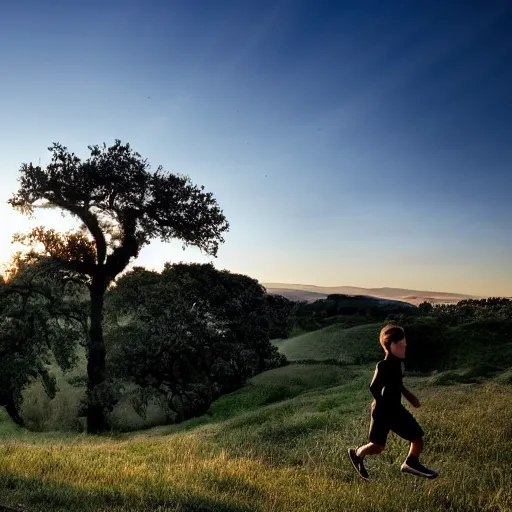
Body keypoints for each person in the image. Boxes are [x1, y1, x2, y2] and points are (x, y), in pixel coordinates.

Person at [348, 324, 439, 480]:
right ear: (389, 345)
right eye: (400, 343)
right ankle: (408, 463)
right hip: (385, 410)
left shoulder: (397, 364)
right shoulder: (383, 365)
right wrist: (386, 408)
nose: (404, 345)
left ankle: (359, 454)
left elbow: (396, 384)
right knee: (404, 441)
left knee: (386, 445)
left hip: (391, 409)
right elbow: (373, 387)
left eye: (404, 341)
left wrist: (409, 397)